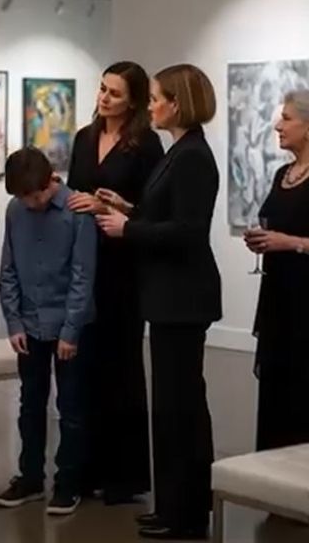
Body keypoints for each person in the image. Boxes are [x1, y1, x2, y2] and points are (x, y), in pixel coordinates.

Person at [97, 64, 221, 540]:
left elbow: (188, 232)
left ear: (177, 103)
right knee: (169, 407)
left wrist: (128, 228)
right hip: (170, 296)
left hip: (183, 297)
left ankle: (186, 511)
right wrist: (128, 208)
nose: (149, 107)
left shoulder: (192, 157)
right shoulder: (179, 152)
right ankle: (172, 504)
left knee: (180, 407)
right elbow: (167, 215)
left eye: (155, 99)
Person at [67, 61, 163, 504]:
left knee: (121, 365)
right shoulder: (85, 138)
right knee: (85, 366)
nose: (104, 98)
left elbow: (154, 209)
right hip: (86, 261)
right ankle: (86, 469)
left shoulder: (145, 145)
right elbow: (73, 192)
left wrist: (116, 206)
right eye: (102, 89)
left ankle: (123, 476)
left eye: (115, 94)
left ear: (134, 102)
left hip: (123, 265)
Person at [0, 147, 96, 516]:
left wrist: (70, 330)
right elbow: (8, 269)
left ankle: (68, 482)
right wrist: (14, 321)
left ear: (50, 181)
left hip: (69, 325)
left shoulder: (77, 211)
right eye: (23, 198)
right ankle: (30, 478)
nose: (30, 204)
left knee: (71, 407)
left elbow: (83, 276)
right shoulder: (15, 210)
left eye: (34, 197)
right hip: (30, 325)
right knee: (30, 404)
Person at [245, 89, 309, 452]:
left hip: (305, 304)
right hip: (278, 299)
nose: (277, 126)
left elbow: (290, 238)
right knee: (276, 396)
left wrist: (291, 242)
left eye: (286, 119)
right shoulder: (283, 174)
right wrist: (263, 241)